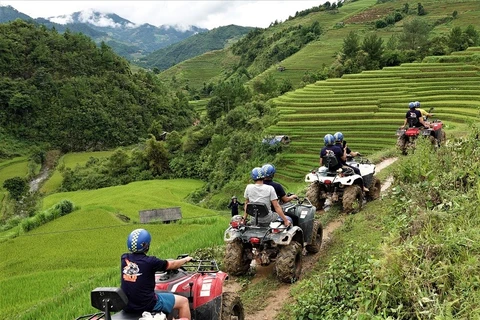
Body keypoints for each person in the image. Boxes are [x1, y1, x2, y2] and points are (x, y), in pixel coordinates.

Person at [121, 228, 192, 320]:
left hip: (128, 305)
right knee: (183, 302)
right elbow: (173, 265)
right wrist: (186, 260)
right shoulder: (151, 262)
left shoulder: (124, 258)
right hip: (147, 304)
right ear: (146, 246)